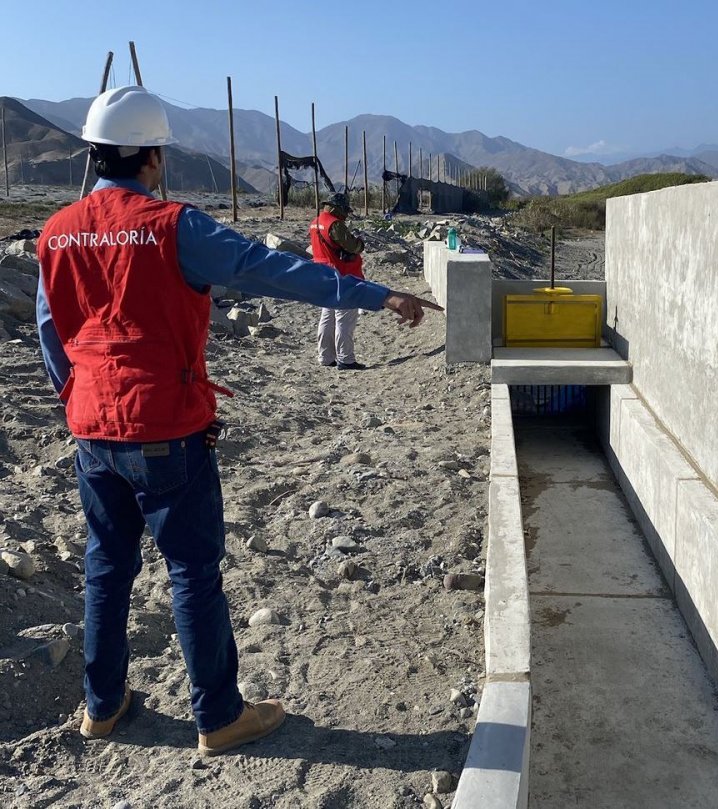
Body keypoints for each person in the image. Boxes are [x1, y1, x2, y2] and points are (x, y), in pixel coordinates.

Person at [35, 86, 441, 756]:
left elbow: (55, 337)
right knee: (193, 569)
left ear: (95, 151)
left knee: (106, 566)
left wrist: (79, 403)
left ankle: (102, 707)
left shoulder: (56, 231)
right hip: (166, 426)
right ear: (154, 157)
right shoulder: (173, 226)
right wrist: (376, 293)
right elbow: (275, 272)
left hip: (92, 430)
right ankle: (218, 716)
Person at [310, 192, 366, 370]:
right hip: (342, 275)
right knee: (344, 318)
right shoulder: (334, 224)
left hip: (322, 273)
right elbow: (351, 246)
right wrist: (359, 244)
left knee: (327, 316)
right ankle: (345, 359)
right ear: (337, 208)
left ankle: (325, 356)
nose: (345, 216)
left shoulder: (315, 222)